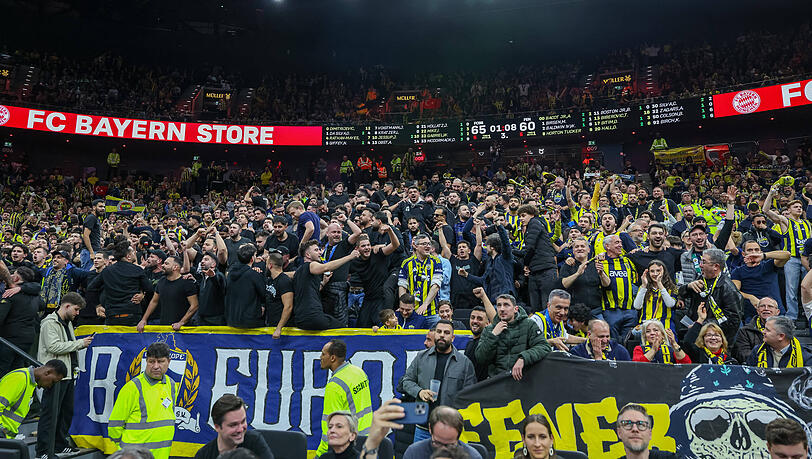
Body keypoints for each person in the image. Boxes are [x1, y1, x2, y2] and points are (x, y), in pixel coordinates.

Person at [398, 320, 476, 443]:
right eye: (439, 332)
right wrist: (419, 392)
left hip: (449, 428)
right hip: (422, 427)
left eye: (446, 332)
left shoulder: (464, 363)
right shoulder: (421, 357)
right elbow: (406, 381)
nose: (442, 335)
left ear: (453, 337)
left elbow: (470, 396)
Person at [36, 292, 93, 457]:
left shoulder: (67, 322)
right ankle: (43, 451)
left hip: (67, 373)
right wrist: (80, 343)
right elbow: (54, 347)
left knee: (65, 412)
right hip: (52, 375)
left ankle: (59, 444)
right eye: (76, 309)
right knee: (50, 414)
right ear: (66, 306)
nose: (77, 313)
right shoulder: (49, 323)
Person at [108, 342, 178, 459]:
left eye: (160, 361)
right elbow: (114, 426)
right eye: (151, 361)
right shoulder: (132, 387)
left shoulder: (171, 385)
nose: (156, 366)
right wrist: (126, 451)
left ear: (169, 361)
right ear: (146, 361)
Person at [763, 185, 811, 322]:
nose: (799, 208)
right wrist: (771, 194)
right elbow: (765, 210)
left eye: (800, 207)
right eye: (795, 207)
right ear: (788, 210)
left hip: (807, 259)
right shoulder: (785, 221)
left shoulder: (808, 224)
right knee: (791, 290)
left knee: (808, 289)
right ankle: (792, 317)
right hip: (792, 260)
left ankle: (809, 316)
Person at [475, 294, 551, 380]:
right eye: (499, 305)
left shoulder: (529, 325)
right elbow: (481, 358)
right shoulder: (490, 329)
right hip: (496, 381)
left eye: (506, 305)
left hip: (522, 380)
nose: (502, 309)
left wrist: (523, 358)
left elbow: (544, 346)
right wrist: (493, 335)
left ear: (516, 309)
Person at [317, 339, 372, 456]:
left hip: (348, 443)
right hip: (367, 438)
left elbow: (329, 426)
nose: (320, 357)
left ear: (332, 358)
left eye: (323, 354)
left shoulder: (334, 386)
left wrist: (320, 455)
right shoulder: (359, 372)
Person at [679, 247, 742, 346]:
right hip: (697, 335)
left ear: (716, 266)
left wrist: (701, 325)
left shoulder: (728, 288)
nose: (700, 265)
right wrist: (687, 287)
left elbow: (733, 320)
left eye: (704, 262)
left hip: (716, 341)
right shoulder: (701, 278)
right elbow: (681, 294)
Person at [294, 240, 359, 330]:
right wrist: (350, 257)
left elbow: (310, 290)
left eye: (320, 249)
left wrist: (323, 283)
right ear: (308, 255)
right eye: (316, 250)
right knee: (343, 329)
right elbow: (325, 267)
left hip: (300, 319)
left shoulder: (298, 272)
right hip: (313, 316)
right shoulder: (311, 265)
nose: (320, 252)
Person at [87, 238, 154, 326]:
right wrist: (142, 296)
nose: (135, 254)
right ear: (128, 256)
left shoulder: (107, 271)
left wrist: (97, 305)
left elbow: (91, 288)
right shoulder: (137, 270)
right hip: (132, 315)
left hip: (112, 315)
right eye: (133, 252)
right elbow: (150, 290)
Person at [0, 360, 66, 439]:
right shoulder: (20, 378)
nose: (50, 386)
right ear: (47, 372)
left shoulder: (30, 383)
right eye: (52, 382)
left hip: (6, 439)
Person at [193, 394, 273, 459]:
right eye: (233, 425)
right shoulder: (204, 455)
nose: (240, 429)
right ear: (217, 427)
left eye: (243, 421)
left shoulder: (254, 442)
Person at [730, 240, 789, 322]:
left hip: (775, 313)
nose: (754, 252)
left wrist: (764, 256)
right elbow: (734, 291)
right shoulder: (738, 271)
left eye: (757, 250)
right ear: (743, 254)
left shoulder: (769, 265)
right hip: (752, 315)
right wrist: (750, 297)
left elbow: (787, 255)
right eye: (750, 250)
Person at [351, 228, 400, 327]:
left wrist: (390, 231)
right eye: (363, 246)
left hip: (382, 298)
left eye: (368, 245)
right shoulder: (355, 261)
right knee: (361, 326)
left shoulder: (378, 253)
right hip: (368, 298)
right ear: (357, 249)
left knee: (382, 326)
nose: (367, 248)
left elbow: (395, 245)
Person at [0, 267, 43, 377]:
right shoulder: (35, 296)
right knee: (18, 370)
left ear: (17, 278)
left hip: (9, 340)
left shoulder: (10, 295)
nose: (10, 277)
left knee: (3, 371)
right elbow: (43, 304)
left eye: (13, 274)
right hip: (27, 339)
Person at [138, 256, 198, 332]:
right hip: (164, 326)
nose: (162, 265)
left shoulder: (187, 283)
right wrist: (144, 319)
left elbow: (195, 305)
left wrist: (181, 322)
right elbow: (154, 301)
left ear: (175, 267)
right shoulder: (161, 281)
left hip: (183, 330)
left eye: (166, 264)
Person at [597, 234, 639, 341]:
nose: (620, 245)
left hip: (630, 310)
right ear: (607, 246)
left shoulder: (628, 261)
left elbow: (634, 281)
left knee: (629, 342)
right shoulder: (599, 262)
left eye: (620, 242)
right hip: (610, 310)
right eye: (617, 243)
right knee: (613, 342)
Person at [516, 204, 558, 312]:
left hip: (544, 270)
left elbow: (529, 248)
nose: (521, 219)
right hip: (537, 269)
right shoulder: (534, 225)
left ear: (532, 214)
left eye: (523, 215)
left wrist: (511, 252)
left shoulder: (534, 223)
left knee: (545, 306)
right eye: (520, 216)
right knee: (539, 307)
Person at [321, 220, 362, 327]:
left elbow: (358, 232)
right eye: (334, 232)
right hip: (324, 287)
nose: (336, 235)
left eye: (339, 232)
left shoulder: (343, 245)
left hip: (338, 288)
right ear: (327, 233)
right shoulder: (322, 248)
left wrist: (346, 220)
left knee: (340, 321)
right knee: (325, 319)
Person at [402, 406, 483, 459]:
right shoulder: (414, 453)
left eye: (450, 445)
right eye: (437, 443)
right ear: (430, 428)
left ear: (459, 434)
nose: (443, 449)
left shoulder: (473, 456)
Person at [398, 233, 443, 326]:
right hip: (412, 313)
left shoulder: (436, 261)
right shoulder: (406, 263)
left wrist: (425, 304)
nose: (428, 246)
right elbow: (402, 286)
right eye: (424, 244)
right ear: (415, 246)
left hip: (432, 312)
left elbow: (436, 286)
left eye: (429, 244)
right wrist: (403, 305)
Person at [225, 244, 266, 328]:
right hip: (250, 321)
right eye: (255, 255)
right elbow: (264, 294)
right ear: (252, 259)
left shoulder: (230, 273)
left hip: (232, 319)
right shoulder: (254, 274)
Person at [746, 316, 812, 368]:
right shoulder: (757, 351)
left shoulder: (805, 356)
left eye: (767, 330)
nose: (763, 332)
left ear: (781, 336)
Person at [733, 297, 781, 363]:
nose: (766, 309)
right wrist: (767, 360)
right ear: (757, 310)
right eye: (762, 306)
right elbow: (743, 355)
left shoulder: (784, 331)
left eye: (770, 306)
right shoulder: (745, 331)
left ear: (777, 312)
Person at [633, 260, 678, 331]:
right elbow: (637, 306)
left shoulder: (672, 288)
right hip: (646, 325)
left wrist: (659, 283)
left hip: (665, 326)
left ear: (664, 272)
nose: (655, 274)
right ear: (648, 273)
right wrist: (644, 286)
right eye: (652, 271)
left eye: (658, 271)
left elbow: (670, 304)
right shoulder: (643, 288)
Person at [265, 251, 294, 338]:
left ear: (270, 265)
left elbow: (288, 306)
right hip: (270, 324)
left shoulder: (284, 281)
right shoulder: (269, 280)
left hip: (282, 328)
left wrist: (279, 328)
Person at [464, 299, 494, 381]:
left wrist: (483, 296)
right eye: (472, 317)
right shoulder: (469, 344)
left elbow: (496, 323)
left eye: (479, 319)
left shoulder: (489, 343)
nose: (475, 321)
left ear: (488, 323)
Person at [81, 199, 105, 270]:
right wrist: (91, 252)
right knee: (87, 275)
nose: (103, 209)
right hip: (89, 251)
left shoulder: (96, 219)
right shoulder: (91, 218)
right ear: (94, 207)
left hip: (94, 250)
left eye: (104, 207)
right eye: (100, 206)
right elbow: (85, 235)